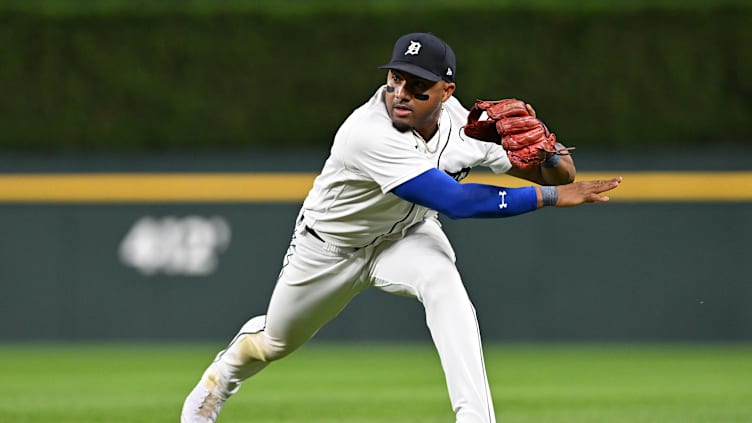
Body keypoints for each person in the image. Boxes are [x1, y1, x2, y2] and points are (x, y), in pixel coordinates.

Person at [181, 32, 621, 423]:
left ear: (447, 92)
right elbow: (457, 202)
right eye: (395, 79)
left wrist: (549, 149)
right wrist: (550, 197)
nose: (400, 93)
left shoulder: (462, 127)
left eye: (418, 86)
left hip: (404, 237)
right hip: (330, 249)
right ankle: (221, 378)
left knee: (444, 284)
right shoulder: (367, 132)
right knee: (273, 343)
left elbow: (556, 175)